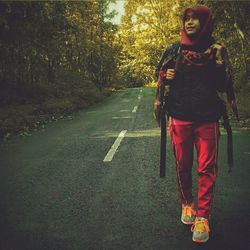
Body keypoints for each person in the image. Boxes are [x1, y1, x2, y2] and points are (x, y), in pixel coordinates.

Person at [154, 5, 236, 243]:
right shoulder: (175, 49)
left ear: (205, 22)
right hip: (180, 116)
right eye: (186, 19)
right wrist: (165, 76)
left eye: (194, 19)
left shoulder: (216, 50)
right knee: (183, 164)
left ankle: (203, 216)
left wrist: (219, 65)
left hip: (208, 117)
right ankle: (187, 204)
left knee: (206, 168)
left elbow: (223, 85)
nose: (189, 23)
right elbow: (160, 74)